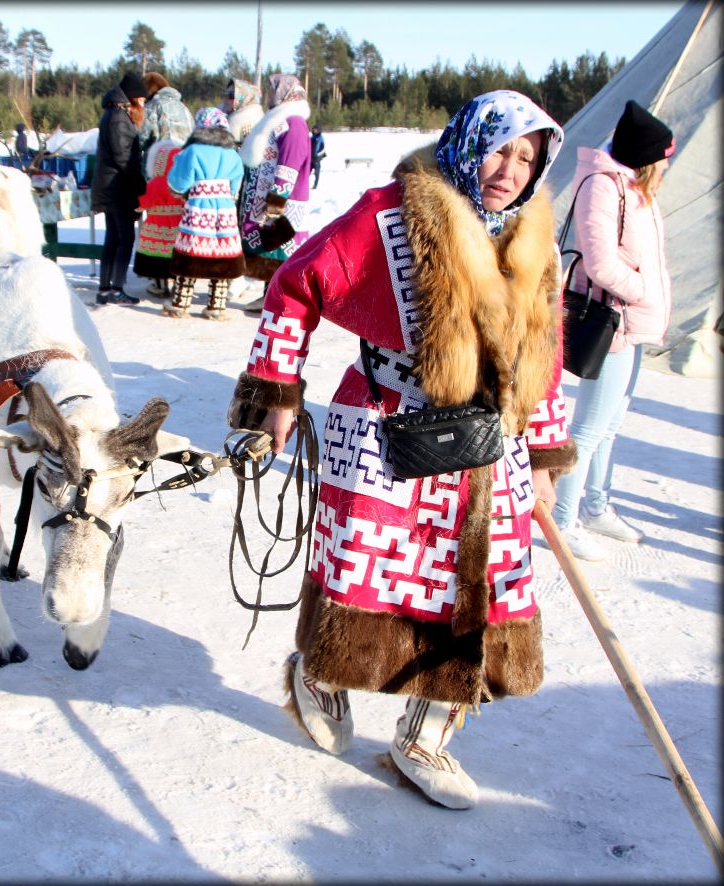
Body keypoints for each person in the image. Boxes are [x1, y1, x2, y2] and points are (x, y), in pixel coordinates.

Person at [225, 90, 572, 810]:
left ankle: (425, 739)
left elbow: (544, 355)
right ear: (472, 140)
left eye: (527, 157)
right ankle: (318, 671)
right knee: (363, 575)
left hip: (491, 443)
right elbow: (295, 287)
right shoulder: (391, 215)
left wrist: (541, 459)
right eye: (502, 148)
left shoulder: (533, 246)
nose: (511, 168)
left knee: (481, 593)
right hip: (389, 422)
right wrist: (273, 393)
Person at [551, 100, 675, 561]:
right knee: (588, 428)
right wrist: (644, 289)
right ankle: (564, 519)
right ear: (644, 157)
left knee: (611, 426)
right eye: (662, 159)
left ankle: (598, 505)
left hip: (634, 319)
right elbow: (601, 262)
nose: (665, 167)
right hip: (613, 320)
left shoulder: (636, 188)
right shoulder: (603, 187)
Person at [163, 108, 244, 320]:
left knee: (190, 252)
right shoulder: (233, 154)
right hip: (225, 208)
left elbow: (178, 182)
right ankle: (216, 306)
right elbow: (236, 185)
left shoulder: (192, 152)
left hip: (199, 206)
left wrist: (183, 192)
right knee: (222, 253)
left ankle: (180, 303)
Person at [238, 75, 314, 289]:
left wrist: (276, 204)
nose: (270, 95)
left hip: (283, 205)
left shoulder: (294, 123)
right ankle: (267, 295)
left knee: (279, 248)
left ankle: (277, 297)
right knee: (269, 251)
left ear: (285, 93)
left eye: (273, 91)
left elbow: (288, 166)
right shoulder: (277, 122)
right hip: (268, 203)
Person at [91, 71, 148, 305]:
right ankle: (116, 289)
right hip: (118, 188)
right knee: (124, 239)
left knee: (113, 237)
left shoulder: (112, 114)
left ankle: (106, 289)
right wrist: (139, 187)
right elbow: (124, 157)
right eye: (142, 100)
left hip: (111, 186)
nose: (143, 104)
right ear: (133, 98)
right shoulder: (119, 118)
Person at [133, 138, 183, 298]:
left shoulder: (154, 183)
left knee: (157, 259)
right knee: (177, 258)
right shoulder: (182, 183)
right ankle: (178, 285)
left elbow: (142, 204)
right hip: (178, 227)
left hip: (156, 227)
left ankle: (160, 286)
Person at [137, 72, 193, 158]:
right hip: (183, 161)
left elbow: (141, 139)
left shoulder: (152, 107)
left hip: (159, 164)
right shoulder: (184, 109)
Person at [222, 78, 263, 147]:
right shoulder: (260, 114)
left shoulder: (236, 120)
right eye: (225, 94)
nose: (226, 99)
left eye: (231, 96)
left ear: (243, 97)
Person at [310, 125, 326, 189]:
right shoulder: (312, 137)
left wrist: (318, 155)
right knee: (307, 172)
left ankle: (315, 185)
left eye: (316, 129)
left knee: (316, 172)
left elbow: (323, 148)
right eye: (314, 129)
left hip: (316, 158)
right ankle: (304, 184)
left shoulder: (320, 138)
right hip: (310, 158)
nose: (315, 130)